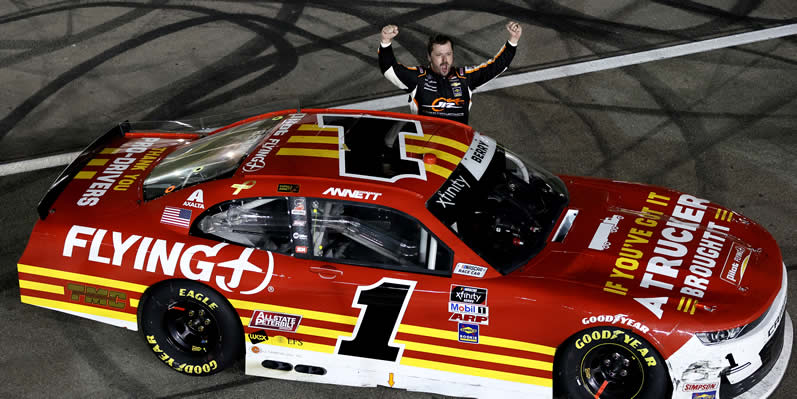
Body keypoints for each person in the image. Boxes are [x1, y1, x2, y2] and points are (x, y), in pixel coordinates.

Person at [378, 21, 522, 125]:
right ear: (429, 57)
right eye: (439, 55)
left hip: (456, 147)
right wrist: (385, 41)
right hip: (425, 148)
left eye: (448, 54)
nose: (444, 60)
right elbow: (389, 69)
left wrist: (513, 40)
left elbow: (497, 66)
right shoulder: (418, 78)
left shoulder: (466, 78)